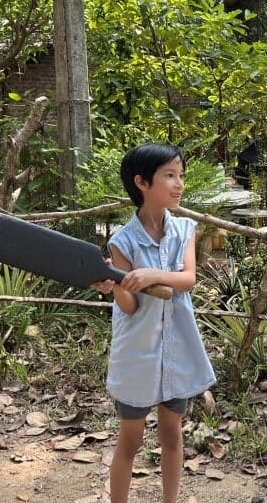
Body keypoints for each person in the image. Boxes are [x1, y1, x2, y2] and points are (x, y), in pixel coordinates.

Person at [91, 143, 216, 503]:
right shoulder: (123, 241)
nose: (179, 185)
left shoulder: (184, 230)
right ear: (142, 182)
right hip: (138, 353)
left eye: (181, 176)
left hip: (177, 349)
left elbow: (188, 279)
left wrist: (148, 275)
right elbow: (129, 306)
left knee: (172, 435)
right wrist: (115, 284)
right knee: (130, 440)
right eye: (170, 176)